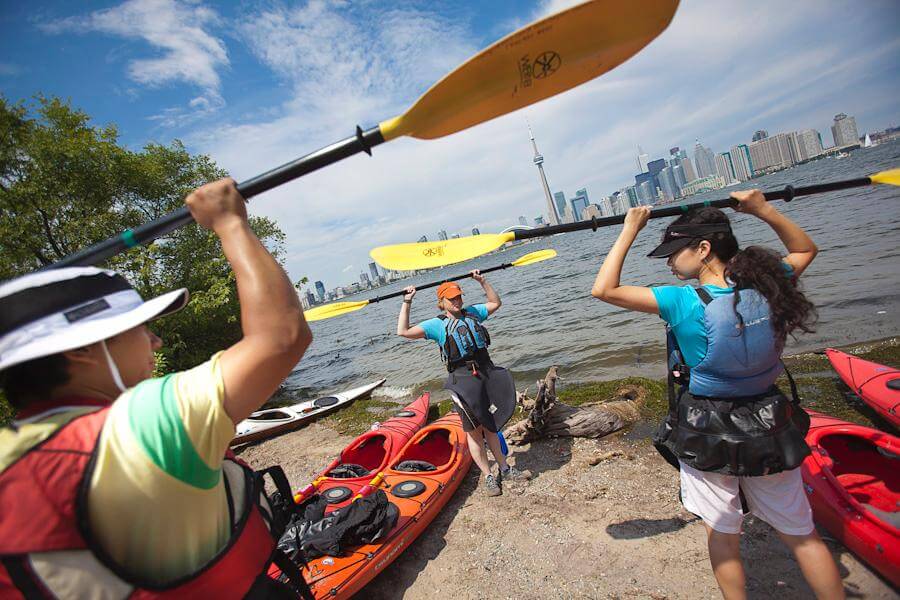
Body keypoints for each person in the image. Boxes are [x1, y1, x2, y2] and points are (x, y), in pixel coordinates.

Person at [0, 179, 315, 598]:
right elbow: (283, 336)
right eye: (139, 328)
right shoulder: (135, 427)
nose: (156, 341)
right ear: (81, 351)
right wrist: (229, 221)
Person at [589, 190, 844, 600]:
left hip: (707, 431)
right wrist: (763, 209)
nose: (670, 262)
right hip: (771, 424)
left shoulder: (681, 301)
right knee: (802, 534)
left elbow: (604, 289)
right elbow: (804, 248)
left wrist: (629, 230)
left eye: (674, 252)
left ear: (703, 248)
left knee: (724, 533)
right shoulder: (769, 281)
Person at [396, 271, 530, 496]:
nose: (457, 301)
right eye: (452, 299)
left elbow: (496, 302)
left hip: (486, 375)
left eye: (459, 297)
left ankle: (505, 468)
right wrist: (407, 301)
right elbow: (403, 331)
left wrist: (482, 281)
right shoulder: (436, 326)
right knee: (474, 432)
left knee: (491, 426)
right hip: (463, 381)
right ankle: (488, 476)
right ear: (442, 303)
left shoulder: (474, 313)